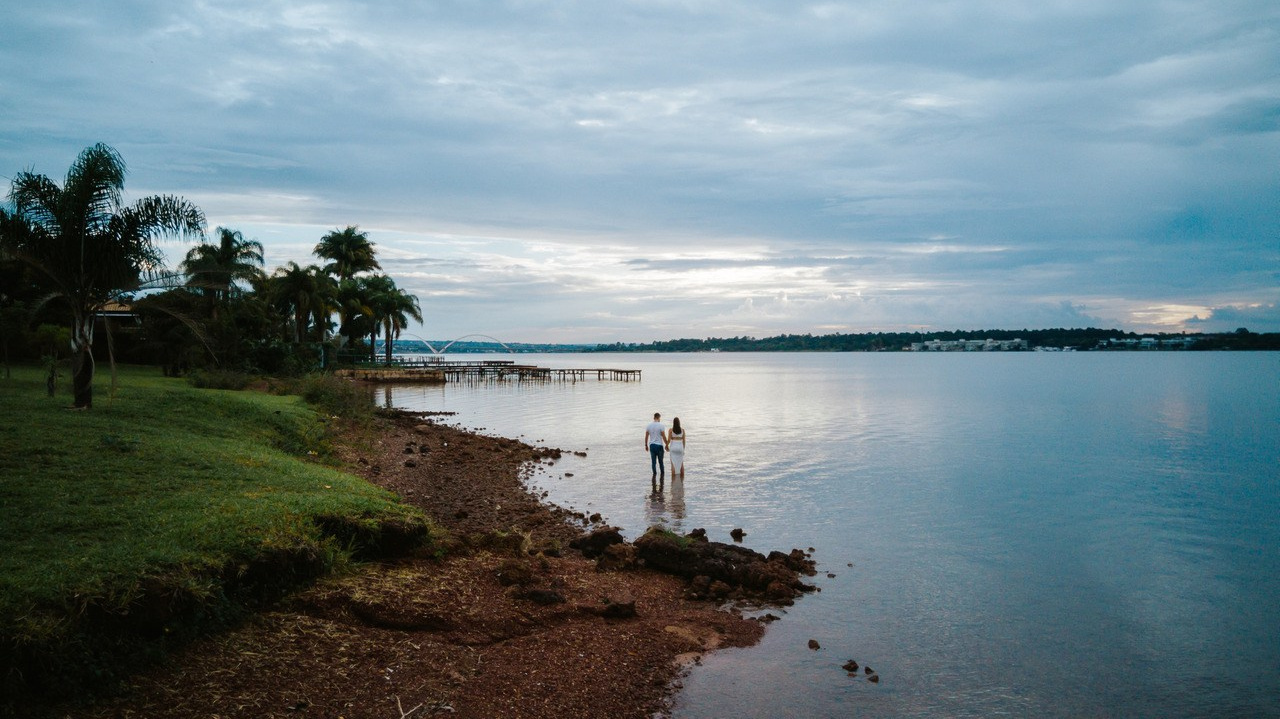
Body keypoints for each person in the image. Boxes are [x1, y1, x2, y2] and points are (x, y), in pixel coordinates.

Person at [644, 412, 668, 486]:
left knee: (653, 462)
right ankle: (662, 477)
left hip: (652, 446)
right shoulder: (661, 425)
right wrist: (667, 444)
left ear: (654, 417)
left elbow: (646, 436)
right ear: (659, 417)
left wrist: (646, 445)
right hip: (659, 446)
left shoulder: (649, 425)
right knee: (661, 462)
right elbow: (663, 436)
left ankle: (654, 476)